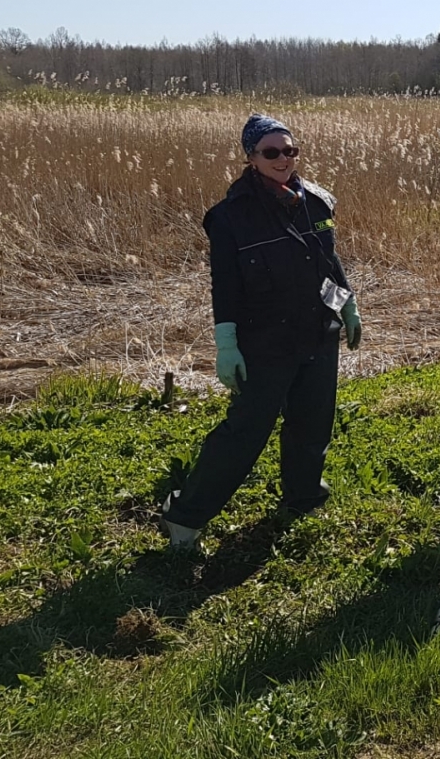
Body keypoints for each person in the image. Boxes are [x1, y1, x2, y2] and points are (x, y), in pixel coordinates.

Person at [159, 114, 363, 551]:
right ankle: (185, 518)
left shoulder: (319, 202)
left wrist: (349, 307)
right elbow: (226, 286)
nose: (283, 159)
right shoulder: (231, 217)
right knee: (246, 433)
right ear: (251, 157)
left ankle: (304, 497)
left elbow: (329, 262)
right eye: (271, 152)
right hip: (264, 343)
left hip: (318, 334)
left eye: (290, 151)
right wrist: (227, 345)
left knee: (313, 424)